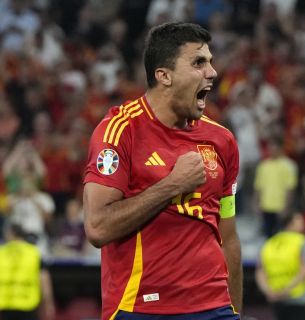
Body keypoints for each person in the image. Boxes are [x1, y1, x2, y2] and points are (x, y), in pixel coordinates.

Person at [83, 22, 242, 320]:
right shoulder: (119, 131)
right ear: (164, 76)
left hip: (214, 307)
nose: (212, 72)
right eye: (198, 62)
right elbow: (98, 227)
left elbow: (228, 236)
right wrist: (171, 185)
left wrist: (234, 311)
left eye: (210, 61)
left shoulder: (222, 140)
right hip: (141, 308)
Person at [0, 222, 55, 320]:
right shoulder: (34, 253)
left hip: (4, 304)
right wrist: (48, 303)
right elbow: (44, 279)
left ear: (10, 234)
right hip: (28, 303)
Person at [255, 212, 305, 320]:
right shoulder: (301, 241)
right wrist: (285, 291)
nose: (303, 224)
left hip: (275, 298)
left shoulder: (269, 243)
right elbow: (304, 270)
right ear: (290, 224)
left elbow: (260, 271)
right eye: (299, 221)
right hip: (299, 297)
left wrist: (268, 291)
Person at [254, 137, 298, 238]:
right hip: (266, 206)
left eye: (274, 146)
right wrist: (256, 203)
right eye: (270, 147)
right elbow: (258, 187)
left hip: (280, 207)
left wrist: (287, 207)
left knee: (281, 236)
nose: (272, 149)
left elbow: (290, 189)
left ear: (280, 148)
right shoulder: (263, 166)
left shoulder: (289, 166)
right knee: (268, 236)